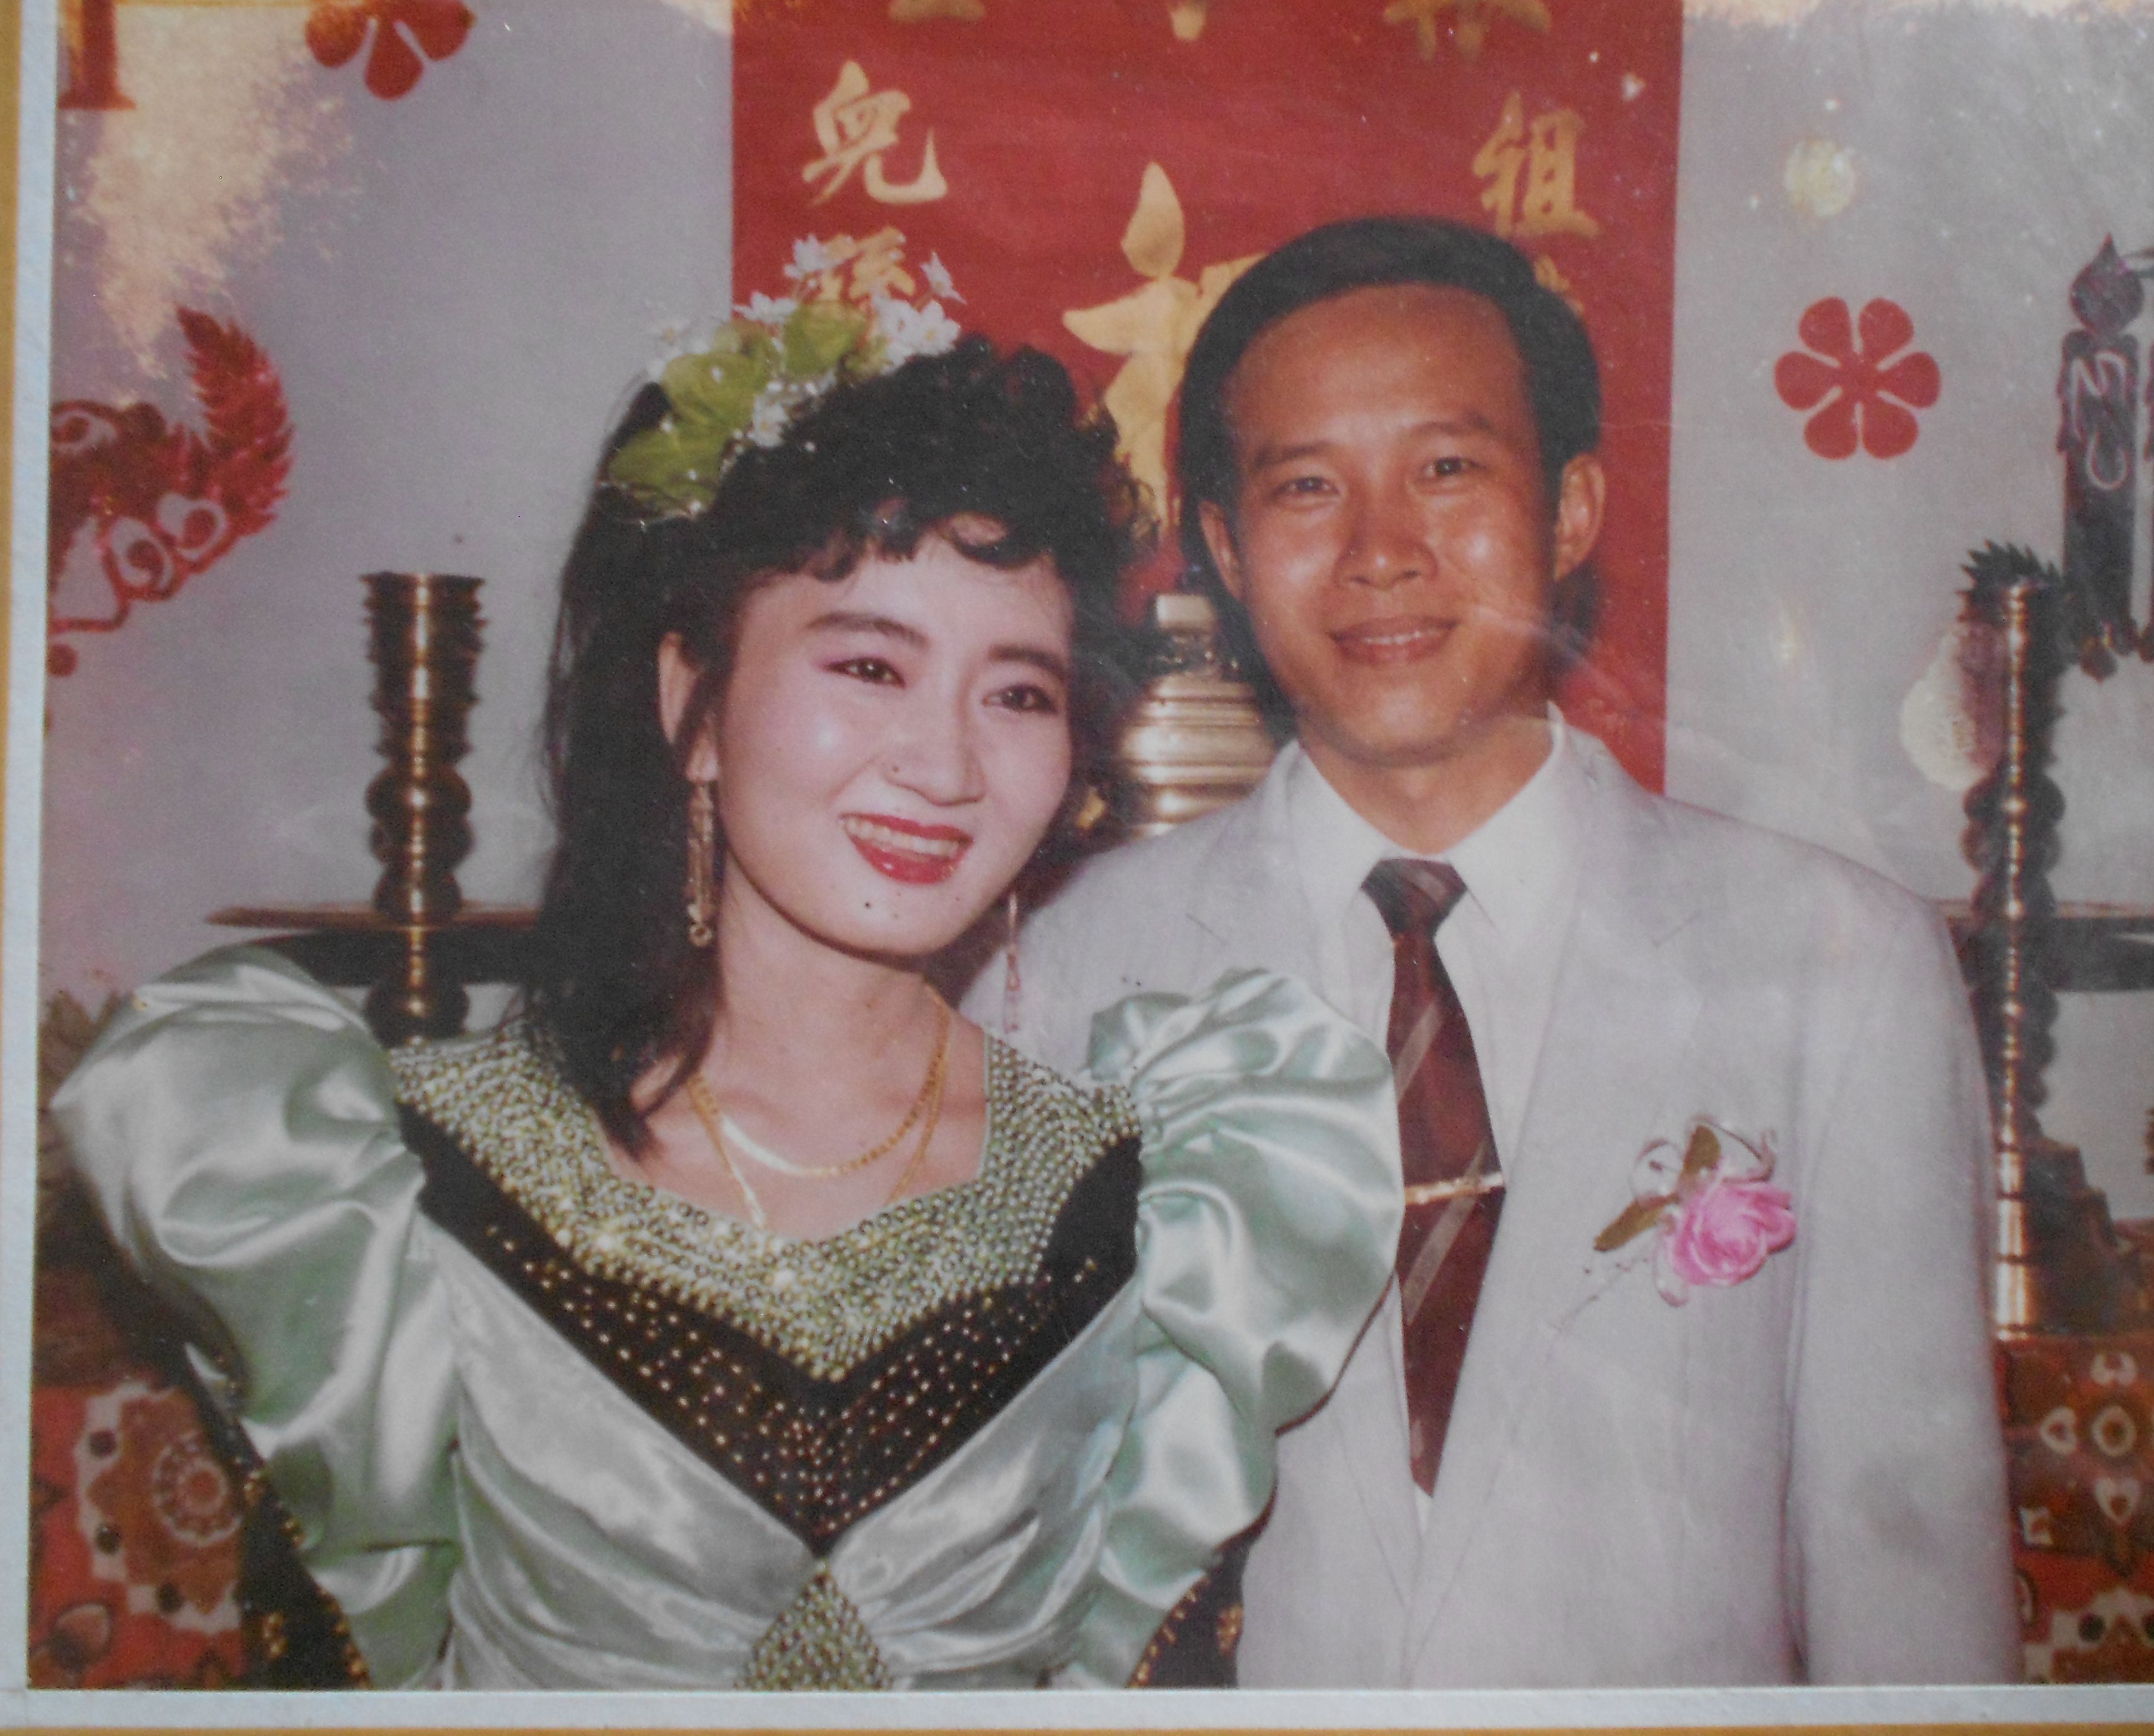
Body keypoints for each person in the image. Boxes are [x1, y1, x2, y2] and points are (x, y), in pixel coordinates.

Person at [53, 300, 1400, 1690]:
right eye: (869, 666)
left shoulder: (1153, 1203)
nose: (944, 766)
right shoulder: (402, 1179)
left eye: (1018, 695)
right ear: (691, 699)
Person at [968, 218, 2021, 1687]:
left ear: (1572, 509)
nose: (1380, 552)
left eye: (1448, 469)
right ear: (1224, 545)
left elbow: (1906, 1550)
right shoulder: (1064, 977)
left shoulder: (1841, 967)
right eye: (1308, 486)